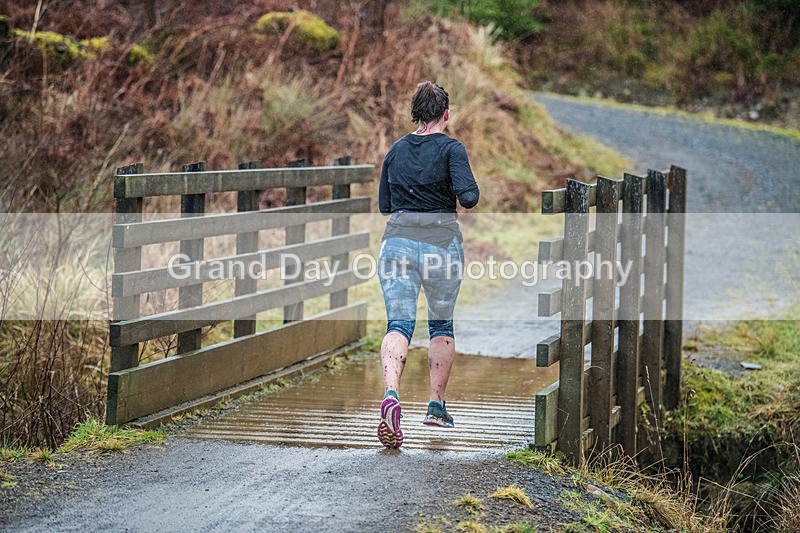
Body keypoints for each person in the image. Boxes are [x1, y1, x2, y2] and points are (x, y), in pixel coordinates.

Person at [376, 81, 480, 449]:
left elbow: (385, 206)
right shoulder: (453, 149)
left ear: (415, 114)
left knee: (399, 324)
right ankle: (435, 407)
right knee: (441, 325)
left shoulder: (396, 149)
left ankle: (391, 395)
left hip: (397, 244)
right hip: (441, 247)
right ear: (446, 115)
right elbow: (469, 197)